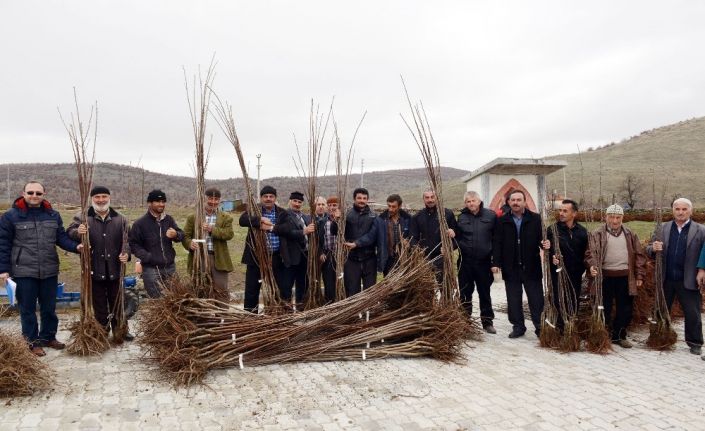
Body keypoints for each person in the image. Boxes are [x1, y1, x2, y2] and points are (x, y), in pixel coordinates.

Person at [0, 181, 82, 356]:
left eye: (38, 193)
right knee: (27, 309)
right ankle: (32, 342)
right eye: (30, 192)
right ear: (23, 193)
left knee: (49, 307)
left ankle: (48, 337)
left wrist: (76, 247)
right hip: (23, 271)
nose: (34, 196)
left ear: (44, 194)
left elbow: (60, 238)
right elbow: (3, 244)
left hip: (49, 269)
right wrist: (3, 270)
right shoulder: (10, 216)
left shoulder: (53, 215)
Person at [67, 186, 133, 341]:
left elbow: (128, 241)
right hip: (93, 268)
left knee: (117, 300)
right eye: (97, 197)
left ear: (109, 198)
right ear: (92, 199)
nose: (101, 200)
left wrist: (127, 254)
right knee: (99, 303)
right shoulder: (82, 217)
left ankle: (120, 329)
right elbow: (69, 233)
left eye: (104, 196)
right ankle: (102, 329)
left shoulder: (120, 218)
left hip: (115, 268)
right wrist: (78, 232)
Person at [647, 198, 705, 355]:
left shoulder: (701, 230)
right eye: (677, 209)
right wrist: (653, 248)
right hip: (666, 278)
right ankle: (659, 337)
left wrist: (702, 270)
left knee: (692, 313)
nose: (680, 212)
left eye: (684, 209)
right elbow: (648, 249)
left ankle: (695, 342)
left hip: (688, 278)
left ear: (690, 211)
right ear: (673, 210)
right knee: (660, 310)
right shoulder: (663, 228)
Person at [585, 204, 646, 348]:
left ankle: (619, 336)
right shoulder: (597, 233)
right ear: (606, 217)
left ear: (622, 218)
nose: (614, 221)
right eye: (611, 217)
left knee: (625, 308)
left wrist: (639, 276)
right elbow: (590, 254)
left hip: (625, 277)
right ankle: (603, 335)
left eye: (618, 217)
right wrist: (593, 265)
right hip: (604, 277)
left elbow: (639, 255)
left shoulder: (630, 234)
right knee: (603, 307)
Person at [492, 190, 550, 339]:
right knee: (513, 299)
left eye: (519, 200)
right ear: (509, 202)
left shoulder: (536, 219)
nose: (516, 202)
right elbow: (497, 243)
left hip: (531, 266)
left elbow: (542, 239)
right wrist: (496, 263)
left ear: (525, 202)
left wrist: (545, 244)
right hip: (511, 267)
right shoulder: (502, 220)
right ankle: (518, 326)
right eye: (513, 200)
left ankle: (539, 326)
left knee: (536, 299)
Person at [128, 189, 184, 298]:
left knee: (174, 297)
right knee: (157, 301)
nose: (161, 204)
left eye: (163, 201)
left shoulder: (168, 220)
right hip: (151, 269)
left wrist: (176, 234)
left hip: (170, 267)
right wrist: (147, 257)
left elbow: (181, 234)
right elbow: (134, 244)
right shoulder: (140, 223)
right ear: (150, 203)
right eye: (158, 201)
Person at [239, 185, 286, 313]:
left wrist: (272, 228)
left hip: (276, 257)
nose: (268, 199)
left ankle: (275, 314)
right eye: (265, 196)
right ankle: (251, 317)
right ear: (261, 198)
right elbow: (242, 220)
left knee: (277, 288)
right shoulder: (255, 211)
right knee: (252, 290)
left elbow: (287, 229)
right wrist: (259, 219)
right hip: (256, 257)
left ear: (275, 198)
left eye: (271, 196)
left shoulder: (282, 212)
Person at [455, 191, 497, 334]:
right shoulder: (461, 217)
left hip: (484, 263)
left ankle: (487, 322)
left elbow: (497, 240)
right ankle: (465, 321)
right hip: (465, 262)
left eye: (473, 200)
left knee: (484, 292)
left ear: (479, 201)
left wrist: (495, 262)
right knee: (465, 292)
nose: (471, 203)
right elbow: (457, 238)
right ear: (465, 203)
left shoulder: (490, 216)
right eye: (468, 201)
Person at [182, 187, 234, 300]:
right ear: (204, 199)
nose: (213, 202)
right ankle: (202, 315)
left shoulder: (226, 217)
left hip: (218, 258)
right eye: (210, 198)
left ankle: (221, 317)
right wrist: (189, 244)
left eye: (216, 199)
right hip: (199, 257)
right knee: (199, 287)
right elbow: (185, 236)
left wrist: (212, 229)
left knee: (221, 290)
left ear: (219, 200)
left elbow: (229, 234)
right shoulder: (193, 217)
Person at [547, 199, 589, 328]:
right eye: (560, 210)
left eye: (565, 211)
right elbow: (546, 248)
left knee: (573, 301)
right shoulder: (552, 229)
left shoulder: (582, 232)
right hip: (557, 273)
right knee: (558, 301)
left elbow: (587, 253)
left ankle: (570, 327)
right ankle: (559, 329)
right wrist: (551, 256)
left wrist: (582, 269)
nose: (561, 213)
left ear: (574, 214)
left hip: (575, 275)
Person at [276, 191, 315, 310]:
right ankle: (286, 312)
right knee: (287, 286)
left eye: (299, 202)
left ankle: (300, 310)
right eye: (295, 201)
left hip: (305, 256)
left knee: (302, 285)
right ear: (290, 201)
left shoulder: (305, 217)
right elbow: (284, 232)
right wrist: (304, 231)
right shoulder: (284, 215)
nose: (297, 204)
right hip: (290, 257)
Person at [410, 190, 457, 282]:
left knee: (445, 287)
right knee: (426, 291)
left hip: (443, 258)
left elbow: (456, 236)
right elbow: (413, 238)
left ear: (437, 198)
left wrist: (449, 247)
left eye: (432, 197)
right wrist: (419, 252)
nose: (430, 200)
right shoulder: (417, 217)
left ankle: (445, 297)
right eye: (427, 197)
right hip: (424, 259)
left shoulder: (447, 214)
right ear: (423, 199)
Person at [343, 188, 378, 297]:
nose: (362, 200)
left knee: (370, 291)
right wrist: (336, 220)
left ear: (367, 200)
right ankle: (354, 313)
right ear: (354, 199)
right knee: (352, 291)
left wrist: (356, 243)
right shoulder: (347, 215)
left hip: (369, 258)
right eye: (359, 198)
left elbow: (372, 235)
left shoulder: (374, 216)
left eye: (364, 198)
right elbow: (336, 231)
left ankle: (369, 313)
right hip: (351, 259)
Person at [375, 194, 412, 276]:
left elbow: (413, 235)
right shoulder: (381, 219)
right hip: (388, 259)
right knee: (389, 285)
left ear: (399, 206)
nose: (390, 209)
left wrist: (408, 241)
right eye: (389, 206)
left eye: (393, 206)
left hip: (404, 259)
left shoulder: (408, 219)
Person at [315, 196, 339, 302]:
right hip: (328, 256)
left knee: (341, 283)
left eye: (334, 205)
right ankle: (330, 305)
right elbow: (318, 240)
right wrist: (320, 252)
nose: (331, 207)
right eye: (329, 205)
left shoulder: (345, 220)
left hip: (341, 256)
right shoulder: (322, 221)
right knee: (329, 285)